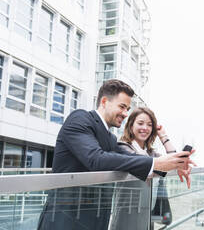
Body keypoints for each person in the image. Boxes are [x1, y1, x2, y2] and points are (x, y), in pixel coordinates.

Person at [37, 79, 194, 230]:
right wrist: (156, 163)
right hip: (65, 221)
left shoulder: (111, 138)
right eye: (122, 107)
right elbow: (96, 158)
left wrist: (175, 163)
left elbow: (132, 159)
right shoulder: (80, 118)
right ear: (104, 102)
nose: (125, 113)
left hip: (96, 220)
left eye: (127, 109)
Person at [110, 107, 192, 229]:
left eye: (149, 125)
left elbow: (171, 160)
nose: (145, 128)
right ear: (131, 125)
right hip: (127, 216)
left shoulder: (150, 153)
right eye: (140, 123)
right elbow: (147, 164)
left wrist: (163, 136)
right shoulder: (123, 147)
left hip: (147, 215)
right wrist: (173, 163)